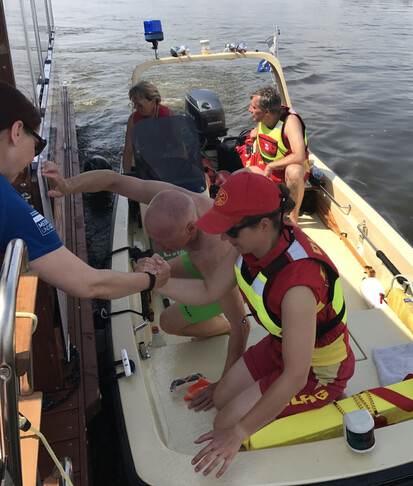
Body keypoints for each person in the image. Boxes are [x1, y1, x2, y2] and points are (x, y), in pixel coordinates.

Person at [153, 172, 355, 478]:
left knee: (225, 424)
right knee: (220, 398)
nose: (223, 238)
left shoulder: (299, 287)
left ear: (263, 224)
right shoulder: (247, 243)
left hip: (317, 370)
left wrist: (239, 432)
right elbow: (208, 291)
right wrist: (156, 282)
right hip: (280, 346)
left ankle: (328, 397)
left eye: (230, 230)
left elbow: (296, 375)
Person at [42, 162, 248, 408]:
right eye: (155, 239)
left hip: (224, 279)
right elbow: (112, 180)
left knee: (168, 322)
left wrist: (223, 386)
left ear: (191, 229)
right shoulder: (174, 199)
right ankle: (202, 316)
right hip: (198, 263)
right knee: (159, 271)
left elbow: (242, 325)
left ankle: (219, 328)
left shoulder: (214, 254)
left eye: (164, 241)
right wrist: (68, 185)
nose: (157, 248)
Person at [0, 81, 170, 300]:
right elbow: (89, 284)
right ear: (17, 131)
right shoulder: (7, 202)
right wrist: (152, 279)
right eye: (38, 145)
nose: (33, 157)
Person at [244, 86, 310, 226]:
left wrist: (271, 166)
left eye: (253, 107)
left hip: (286, 170)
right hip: (267, 167)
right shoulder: (265, 118)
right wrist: (255, 131)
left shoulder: (290, 122)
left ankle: (292, 220)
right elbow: (268, 131)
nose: (250, 110)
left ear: (266, 111)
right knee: (237, 178)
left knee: (294, 171)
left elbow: (299, 156)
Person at [122, 80, 174, 173]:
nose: (135, 107)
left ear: (153, 101)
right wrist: (126, 174)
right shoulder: (133, 119)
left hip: (167, 161)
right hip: (145, 161)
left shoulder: (170, 116)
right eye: (134, 103)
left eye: (139, 104)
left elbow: (179, 147)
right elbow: (128, 150)